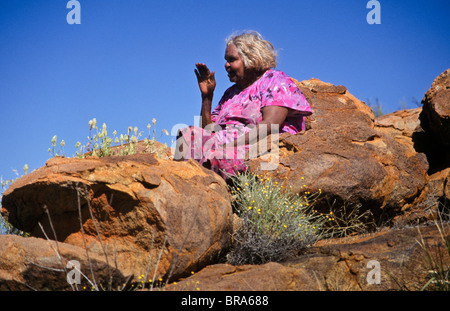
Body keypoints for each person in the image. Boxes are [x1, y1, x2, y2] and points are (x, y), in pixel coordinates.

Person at [174, 31, 312, 180]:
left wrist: (228, 146)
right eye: (226, 60)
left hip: (254, 147)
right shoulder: (231, 93)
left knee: (217, 156)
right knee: (188, 134)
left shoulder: (274, 80)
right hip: (223, 144)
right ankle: (179, 182)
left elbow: (270, 125)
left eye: (232, 60)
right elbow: (208, 130)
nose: (226, 65)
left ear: (251, 59)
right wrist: (207, 97)